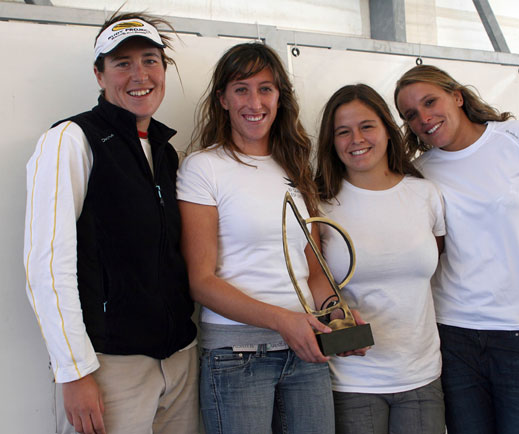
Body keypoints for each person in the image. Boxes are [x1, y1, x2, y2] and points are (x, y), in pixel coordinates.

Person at [24, 12, 198, 434]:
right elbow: (47, 264)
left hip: (179, 362)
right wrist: (74, 371)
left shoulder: (165, 151)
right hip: (108, 368)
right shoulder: (70, 139)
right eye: (122, 63)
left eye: (150, 60)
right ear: (99, 75)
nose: (139, 74)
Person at [394, 64, 519, 434]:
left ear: (457, 96)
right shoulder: (419, 173)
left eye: (430, 101)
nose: (423, 117)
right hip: (453, 340)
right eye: (411, 115)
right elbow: (425, 254)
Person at [177, 42, 335, 434]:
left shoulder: (295, 167)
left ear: (280, 97)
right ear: (223, 100)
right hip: (237, 355)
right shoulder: (204, 168)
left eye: (266, 88)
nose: (255, 101)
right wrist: (284, 321)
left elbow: (314, 271)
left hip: (306, 351)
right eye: (241, 89)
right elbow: (201, 281)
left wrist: (338, 314)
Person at [314, 83, 446, 434]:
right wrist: (337, 321)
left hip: (422, 378)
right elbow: (312, 282)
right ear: (332, 142)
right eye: (343, 131)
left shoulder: (425, 194)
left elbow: (436, 260)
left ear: (388, 129)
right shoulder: (320, 204)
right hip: (352, 382)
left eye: (366, 126)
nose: (356, 139)